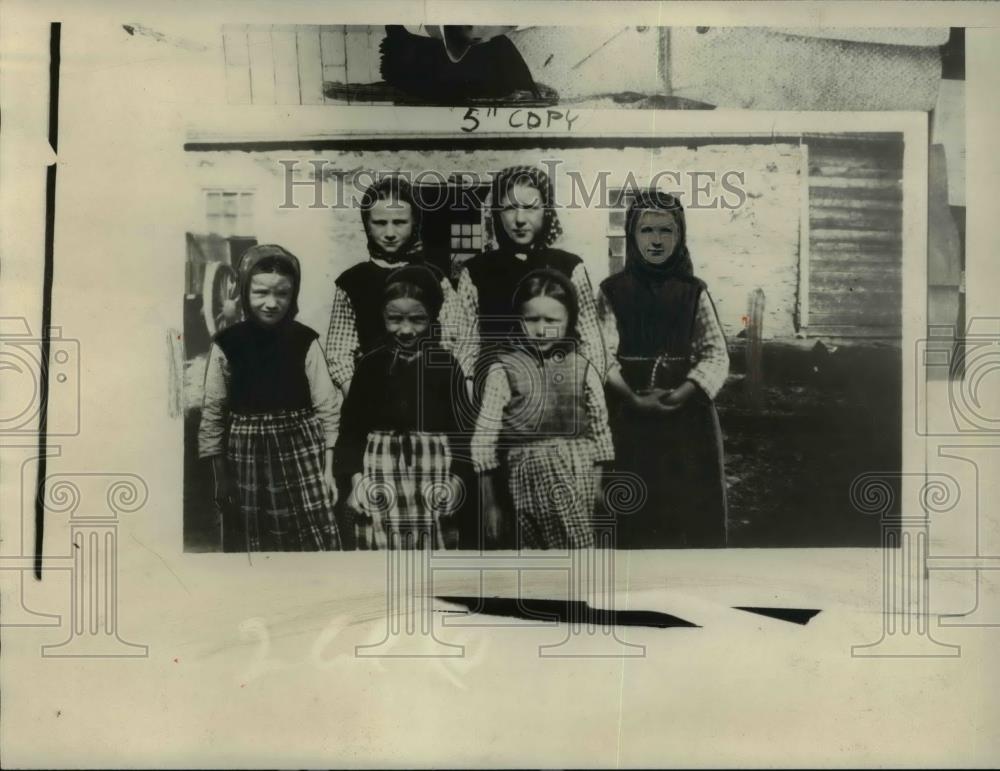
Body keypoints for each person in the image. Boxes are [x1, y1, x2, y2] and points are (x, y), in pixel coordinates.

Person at [597, 190, 730, 548]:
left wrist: (682, 394)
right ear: (631, 235)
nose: (656, 241)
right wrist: (632, 399)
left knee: (689, 505)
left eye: (666, 231)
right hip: (629, 415)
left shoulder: (692, 292)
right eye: (646, 231)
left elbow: (715, 354)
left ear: (680, 235)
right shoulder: (613, 291)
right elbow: (601, 355)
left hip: (688, 422)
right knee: (633, 503)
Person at [199, 245, 341, 552]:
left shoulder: (305, 340)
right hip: (246, 456)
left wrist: (329, 472)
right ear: (245, 290)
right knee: (254, 539)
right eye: (261, 292)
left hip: (301, 453)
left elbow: (328, 408)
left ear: (293, 295)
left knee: (309, 540)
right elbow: (213, 413)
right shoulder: (227, 344)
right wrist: (220, 477)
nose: (271, 303)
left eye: (282, 294)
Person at [472, 269, 614, 549]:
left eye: (552, 320)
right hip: (525, 477)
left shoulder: (583, 368)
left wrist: (597, 484)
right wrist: (489, 504)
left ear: (569, 321)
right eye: (531, 319)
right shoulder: (503, 369)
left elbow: (600, 429)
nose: (540, 329)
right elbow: (484, 441)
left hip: (578, 471)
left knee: (579, 552)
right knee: (534, 558)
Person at [336, 264, 471, 550]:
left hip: (434, 471)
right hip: (380, 470)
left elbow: (463, 430)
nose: (406, 330)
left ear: (432, 317)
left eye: (417, 320)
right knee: (382, 551)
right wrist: (357, 479)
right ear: (382, 316)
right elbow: (351, 429)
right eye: (395, 319)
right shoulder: (370, 365)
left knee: (434, 550)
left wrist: (457, 480)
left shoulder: (447, 365)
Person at [453, 164, 608, 385]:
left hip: (560, 388)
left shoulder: (569, 267)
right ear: (496, 213)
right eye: (509, 208)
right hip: (498, 394)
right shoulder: (477, 272)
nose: (519, 219)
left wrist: (590, 391)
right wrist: (469, 392)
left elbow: (591, 342)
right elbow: (466, 346)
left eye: (530, 207)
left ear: (546, 210)